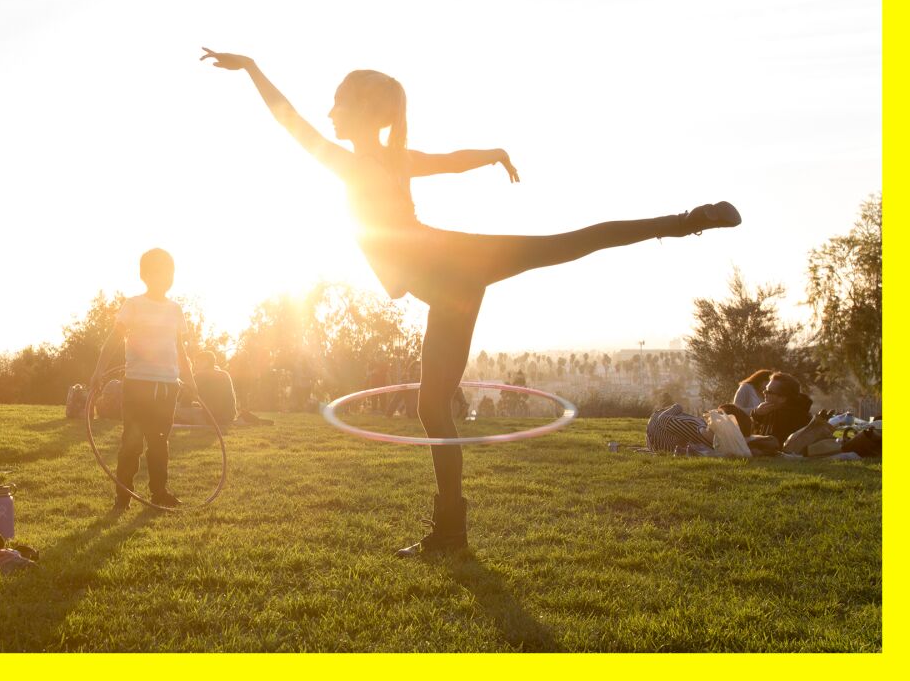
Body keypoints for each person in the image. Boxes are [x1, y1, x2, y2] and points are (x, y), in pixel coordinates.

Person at [203, 48, 742, 556]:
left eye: (338, 101)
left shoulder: (359, 165)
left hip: (451, 268)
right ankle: (450, 532)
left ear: (361, 110)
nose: (330, 110)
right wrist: (492, 155)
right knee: (439, 399)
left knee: (560, 255)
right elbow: (453, 160)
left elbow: (289, 121)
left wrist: (252, 67)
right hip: (452, 284)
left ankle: (689, 221)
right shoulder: (393, 160)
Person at [91, 248, 199, 510]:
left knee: (159, 441)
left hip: (167, 386)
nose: (165, 277)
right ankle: (123, 496)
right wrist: (98, 371)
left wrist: (191, 381)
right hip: (138, 383)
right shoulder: (134, 305)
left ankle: (159, 493)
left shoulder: (175, 310)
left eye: (169, 273)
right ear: (144, 275)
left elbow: (181, 350)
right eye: (159, 272)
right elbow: (114, 339)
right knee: (132, 441)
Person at [751, 371, 813, 444]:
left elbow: (771, 445)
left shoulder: (789, 417)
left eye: (769, 392)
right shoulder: (772, 409)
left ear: (782, 398)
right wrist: (757, 414)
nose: (764, 393)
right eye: (765, 389)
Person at [192, 351, 238, 427]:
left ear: (205, 362)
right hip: (229, 416)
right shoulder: (224, 374)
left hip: (211, 417)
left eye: (197, 363)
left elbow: (184, 399)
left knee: (175, 409)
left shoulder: (199, 376)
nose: (195, 366)